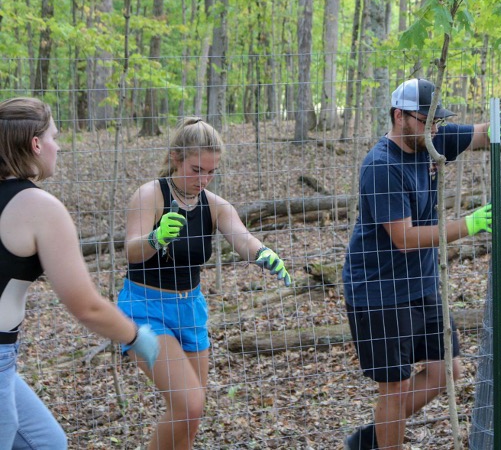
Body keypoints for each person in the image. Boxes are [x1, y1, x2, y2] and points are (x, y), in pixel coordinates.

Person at [342, 78, 501, 450]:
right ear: (400, 116)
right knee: (394, 387)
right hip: (379, 291)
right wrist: (470, 225)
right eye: (425, 120)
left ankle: (372, 438)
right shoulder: (381, 166)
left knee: (445, 370)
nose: (434, 129)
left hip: (422, 286)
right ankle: (387, 438)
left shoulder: (430, 142)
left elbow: (481, 134)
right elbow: (405, 238)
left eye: (437, 122)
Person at [118, 117, 292, 450]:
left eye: (211, 171)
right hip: (146, 310)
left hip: (191, 310)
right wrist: (155, 238)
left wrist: (263, 253)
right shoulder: (150, 195)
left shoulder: (214, 204)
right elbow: (132, 251)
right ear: (174, 158)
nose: (204, 179)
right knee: (189, 404)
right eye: (196, 169)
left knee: (190, 416)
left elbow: (242, 239)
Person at [0, 97, 159, 450]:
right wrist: (135, 335)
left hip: (5, 359)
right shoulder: (38, 207)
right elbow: (85, 305)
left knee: (46, 441)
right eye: (54, 136)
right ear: (36, 144)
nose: (60, 146)